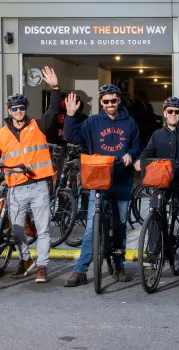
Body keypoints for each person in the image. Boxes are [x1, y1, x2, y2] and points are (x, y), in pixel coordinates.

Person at [63, 84, 140, 287]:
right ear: (101, 102)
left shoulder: (130, 122)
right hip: (98, 181)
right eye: (106, 101)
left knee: (120, 226)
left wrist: (130, 154)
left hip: (122, 181)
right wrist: (70, 116)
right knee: (91, 228)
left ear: (119, 100)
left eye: (113, 100)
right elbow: (72, 137)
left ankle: (119, 267)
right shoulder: (93, 122)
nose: (110, 104)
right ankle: (80, 270)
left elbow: (136, 146)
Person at [0, 66, 61, 283]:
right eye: (14, 108)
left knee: (43, 229)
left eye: (21, 108)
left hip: (38, 185)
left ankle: (42, 266)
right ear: (9, 111)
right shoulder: (2, 134)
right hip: (15, 187)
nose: (18, 111)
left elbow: (53, 111)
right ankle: (26, 260)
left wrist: (55, 88)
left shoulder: (38, 126)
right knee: (17, 231)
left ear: (25, 109)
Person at [134, 97, 179, 272]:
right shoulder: (157, 134)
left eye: (177, 111)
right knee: (154, 212)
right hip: (162, 181)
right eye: (170, 111)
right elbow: (147, 152)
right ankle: (154, 254)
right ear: (165, 113)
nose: (173, 114)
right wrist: (139, 161)